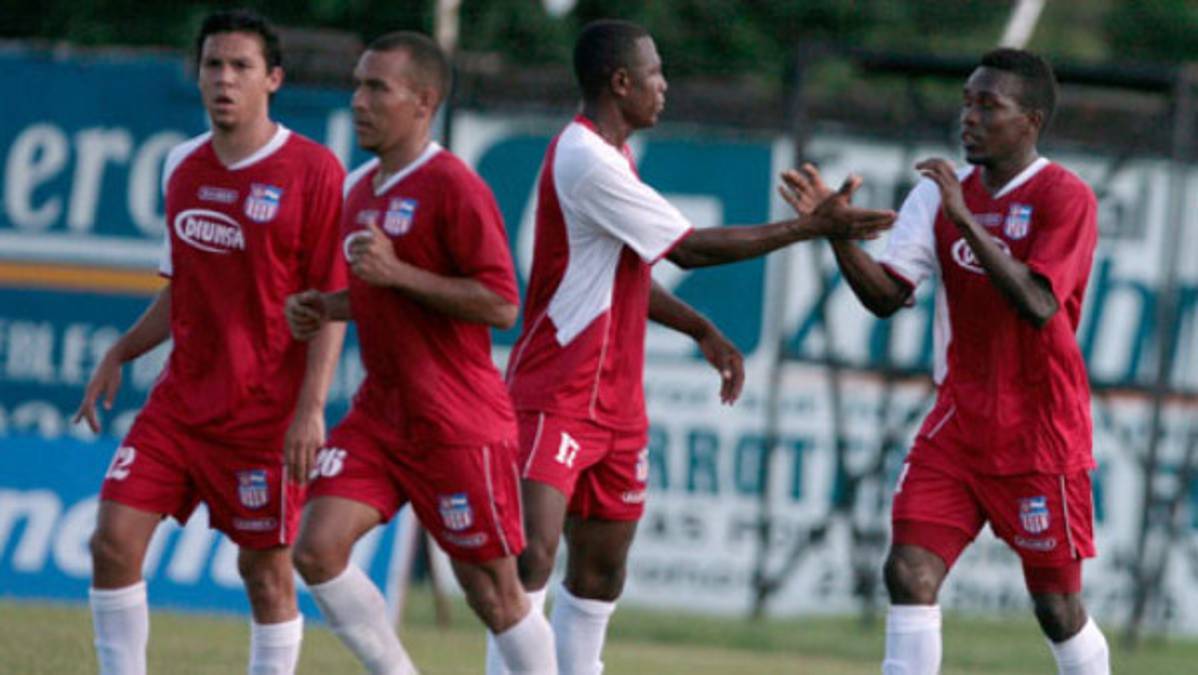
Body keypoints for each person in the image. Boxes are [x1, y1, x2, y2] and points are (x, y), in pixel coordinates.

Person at [487, 19, 898, 675]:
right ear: (621, 83)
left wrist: (700, 328)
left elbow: (623, 278)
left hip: (617, 406)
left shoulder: (615, 158)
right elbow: (690, 249)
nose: (665, 85)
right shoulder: (585, 157)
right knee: (532, 556)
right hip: (555, 392)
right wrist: (809, 228)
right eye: (655, 73)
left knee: (600, 571)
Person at [781, 48, 1109, 675]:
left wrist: (966, 219)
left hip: (1040, 433)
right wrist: (837, 233)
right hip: (957, 424)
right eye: (967, 103)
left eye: (989, 106)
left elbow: (1039, 304)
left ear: (1031, 121)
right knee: (909, 571)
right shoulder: (936, 196)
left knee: (1057, 608)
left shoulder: (1065, 197)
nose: (970, 117)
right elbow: (886, 296)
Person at [73, 9, 347, 675]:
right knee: (112, 542)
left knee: (265, 575)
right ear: (197, 76)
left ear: (273, 79)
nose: (225, 79)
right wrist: (121, 352)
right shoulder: (182, 165)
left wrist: (311, 409)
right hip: (179, 406)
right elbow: (185, 289)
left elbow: (331, 306)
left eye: (241, 66)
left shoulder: (313, 171)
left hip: (264, 415)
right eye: (213, 65)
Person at [282, 32, 556, 675]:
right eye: (357, 85)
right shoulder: (359, 190)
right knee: (316, 550)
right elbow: (381, 294)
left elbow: (501, 304)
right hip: (382, 416)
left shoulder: (454, 186)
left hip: (456, 420)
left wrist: (398, 273)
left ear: (424, 102)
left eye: (377, 88)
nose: (358, 101)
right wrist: (328, 305)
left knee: (493, 595)